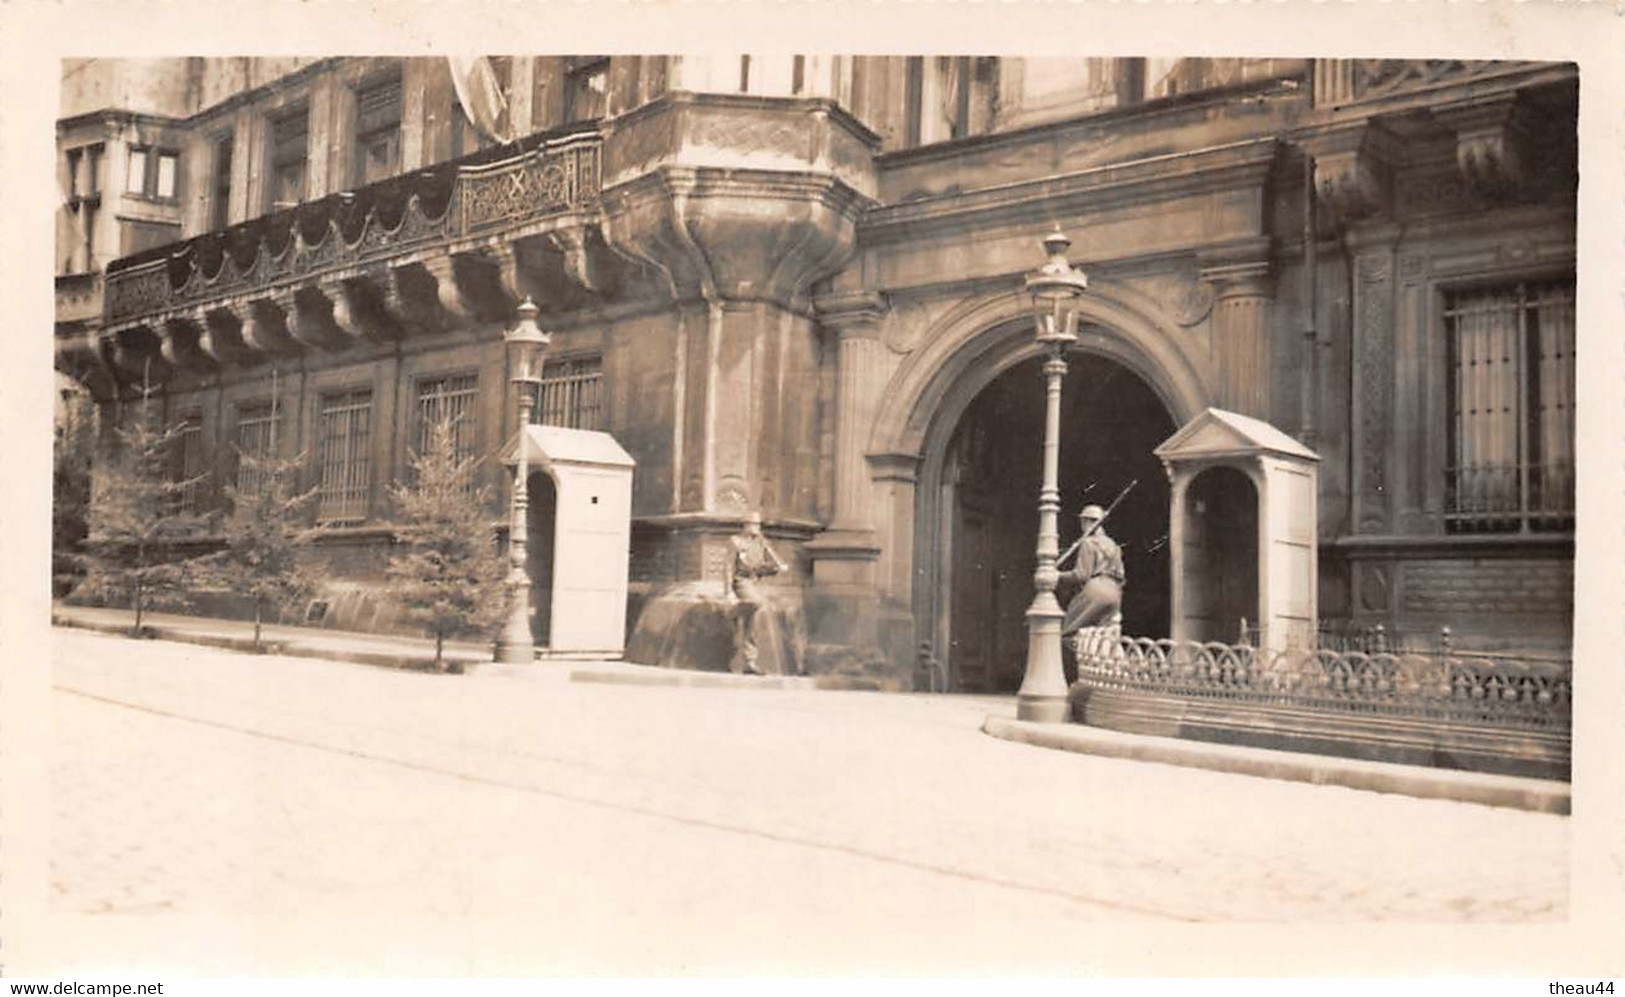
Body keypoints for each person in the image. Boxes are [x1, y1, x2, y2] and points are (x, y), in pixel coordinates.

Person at [728, 511, 787, 674]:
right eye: (753, 524)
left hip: (755, 582)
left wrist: (776, 567)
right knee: (756, 603)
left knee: (751, 624)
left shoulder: (761, 543)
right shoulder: (735, 541)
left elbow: (768, 564)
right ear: (745, 525)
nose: (756, 528)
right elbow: (728, 568)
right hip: (741, 581)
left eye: (758, 525)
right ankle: (734, 612)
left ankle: (750, 662)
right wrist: (728, 592)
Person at [1061, 503, 1125, 637]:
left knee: (1068, 631)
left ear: (1086, 521)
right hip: (1115, 592)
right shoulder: (1113, 544)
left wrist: (1057, 576)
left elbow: (1081, 575)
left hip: (1096, 589)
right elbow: (1121, 575)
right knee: (1105, 636)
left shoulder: (1088, 542)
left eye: (1083, 521)